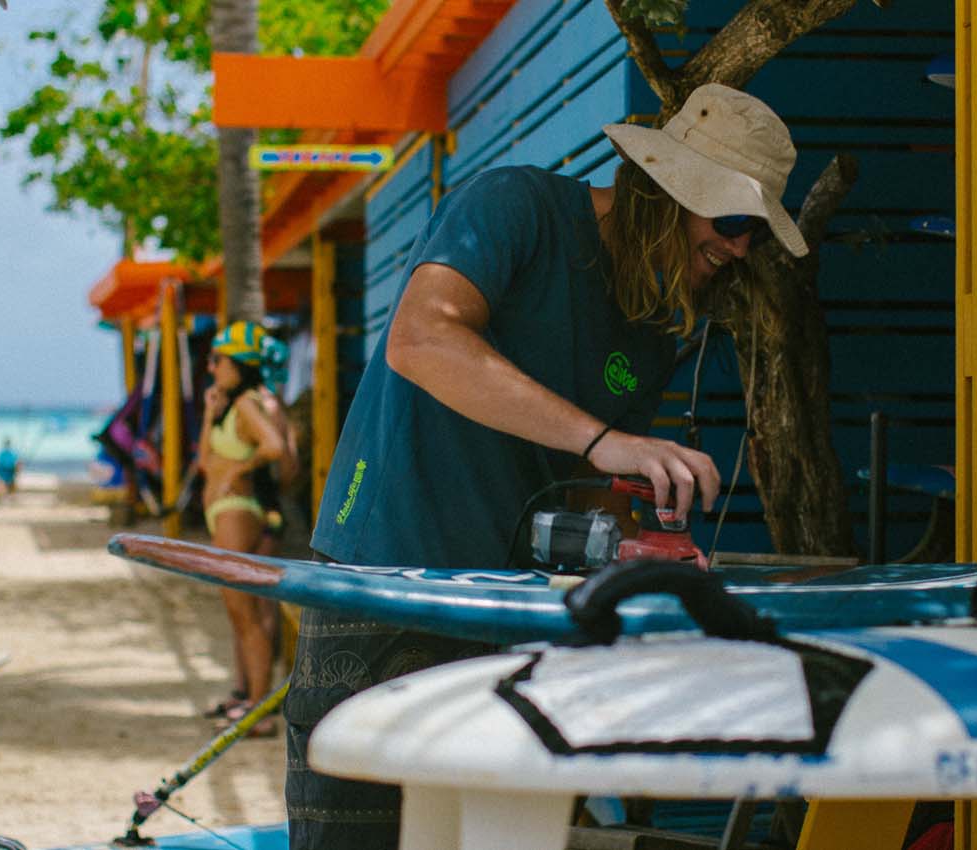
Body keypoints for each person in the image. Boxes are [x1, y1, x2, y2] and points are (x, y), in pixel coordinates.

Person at [288, 83, 807, 849]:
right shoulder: (515, 205)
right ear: (670, 192)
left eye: (755, 234)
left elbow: (595, 490)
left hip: (524, 623)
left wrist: (648, 543)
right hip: (389, 581)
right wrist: (605, 441)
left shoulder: (656, 324)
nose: (738, 248)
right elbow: (422, 339)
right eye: (733, 221)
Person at [199, 321, 292, 737]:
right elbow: (204, 462)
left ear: (239, 365)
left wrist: (241, 467)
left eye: (219, 360)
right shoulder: (231, 405)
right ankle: (251, 701)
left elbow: (273, 445)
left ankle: (260, 709)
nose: (212, 366)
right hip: (223, 511)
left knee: (249, 615)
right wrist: (208, 413)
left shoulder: (249, 404)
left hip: (238, 512)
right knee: (239, 616)